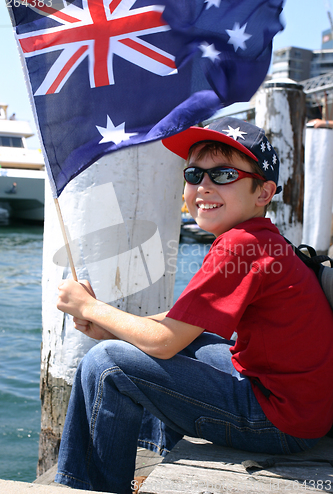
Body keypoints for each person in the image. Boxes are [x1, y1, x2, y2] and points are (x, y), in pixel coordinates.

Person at [55, 117, 333, 493]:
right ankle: (157, 453)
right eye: (193, 174)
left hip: (282, 421)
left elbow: (165, 340)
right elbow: (185, 323)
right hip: (302, 408)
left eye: (223, 175)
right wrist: (112, 323)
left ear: (263, 192)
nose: (203, 186)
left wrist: (88, 307)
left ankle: (93, 487)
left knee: (106, 363)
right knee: (187, 342)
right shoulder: (261, 238)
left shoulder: (241, 245)